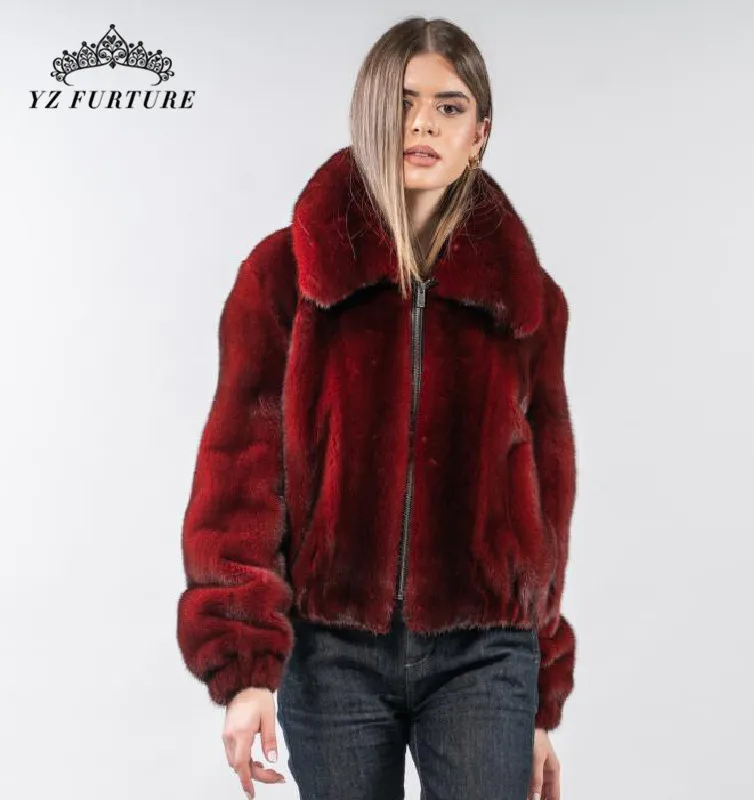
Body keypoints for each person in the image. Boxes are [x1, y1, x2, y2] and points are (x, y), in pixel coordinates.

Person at [176, 16, 577, 800]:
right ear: (367, 116)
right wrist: (246, 668)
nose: (422, 123)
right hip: (331, 651)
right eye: (402, 102)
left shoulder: (529, 302)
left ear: (480, 133)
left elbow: (548, 500)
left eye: (449, 106)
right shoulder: (284, 278)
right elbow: (239, 478)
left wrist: (539, 703)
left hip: (486, 652)